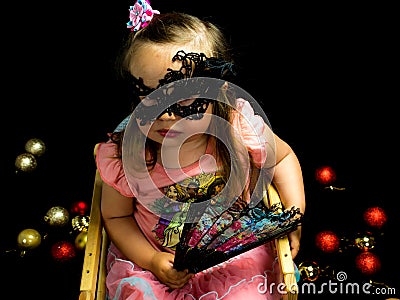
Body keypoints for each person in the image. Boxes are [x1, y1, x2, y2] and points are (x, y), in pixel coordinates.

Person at [96, 0, 306, 299]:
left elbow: (283, 158)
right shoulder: (128, 152)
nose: (165, 115)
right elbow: (116, 217)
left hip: (232, 257)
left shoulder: (235, 129)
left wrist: (294, 213)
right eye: (148, 98)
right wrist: (151, 260)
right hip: (156, 261)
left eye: (182, 101)